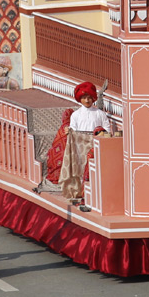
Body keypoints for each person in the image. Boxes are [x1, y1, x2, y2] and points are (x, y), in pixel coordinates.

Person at [60, 81, 113, 209]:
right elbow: (73, 130)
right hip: (80, 148)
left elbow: (107, 130)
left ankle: (93, 195)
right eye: (84, 98)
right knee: (80, 171)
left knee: (93, 172)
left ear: (93, 98)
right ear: (80, 99)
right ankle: (80, 195)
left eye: (89, 97)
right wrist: (69, 132)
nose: (87, 100)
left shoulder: (100, 114)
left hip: (95, 147)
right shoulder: (76, 115)